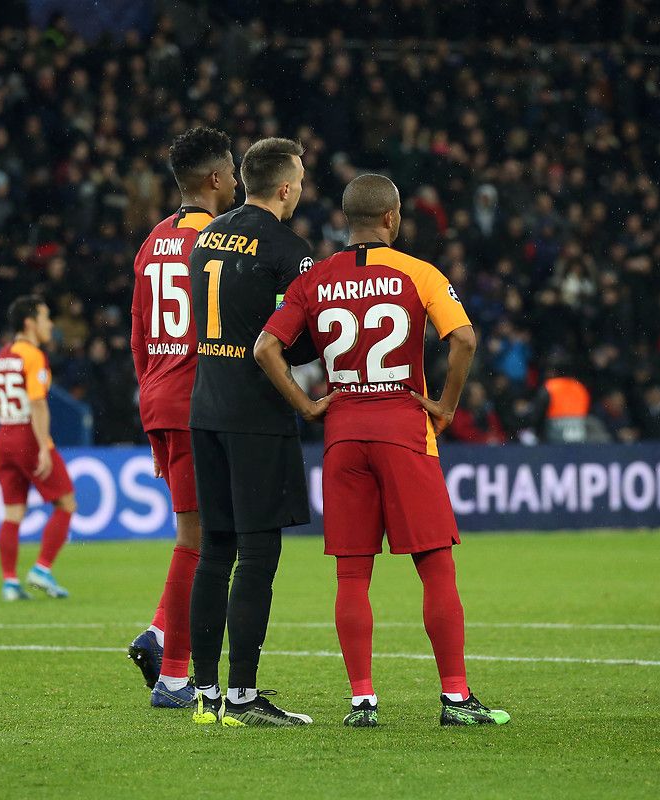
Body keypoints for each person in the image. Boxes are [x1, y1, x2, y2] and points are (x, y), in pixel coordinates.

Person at [255, 174, 511, 727]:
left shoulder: (315, 279)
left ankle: (362, 702)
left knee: (352, 577)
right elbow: (463, 338)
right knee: (435, 568)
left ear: (348, 220)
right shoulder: (418, 272)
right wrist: (444, 406)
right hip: (403, 428)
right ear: (393, 218)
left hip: (343, 432)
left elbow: (266, 347)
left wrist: (306, 405)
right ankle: (455, 699)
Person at [187, 137, 318, 727]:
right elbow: (309, 331)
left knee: (215, 551)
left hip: (206, 409)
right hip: (257, 417)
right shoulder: (288, 248)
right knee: (259, 552)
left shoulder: (209, 235)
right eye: (302, 180)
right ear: (286, 187)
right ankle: (243, 695)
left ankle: (206, 694)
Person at [126, 126, 238, 708]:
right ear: (216, 179)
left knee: (199, 534)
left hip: (161, 397)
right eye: (234, 171)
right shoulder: (222, 241)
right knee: (200, 538)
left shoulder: (152, 240)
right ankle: (173, 676)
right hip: (199, 399)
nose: (240, 182)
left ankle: (160, 634)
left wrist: (151, 406)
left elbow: (140, 332)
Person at [0, 296, 77, 601]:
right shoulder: (33, 355)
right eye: (45, 317)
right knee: (66, 503)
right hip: (28, 435)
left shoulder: (1, 355)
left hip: (4, 435)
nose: (50, 324)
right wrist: (43, 446)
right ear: (29, 322)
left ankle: (10, 583)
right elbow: (38, 403)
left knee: (13, 511)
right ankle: (42, 568)